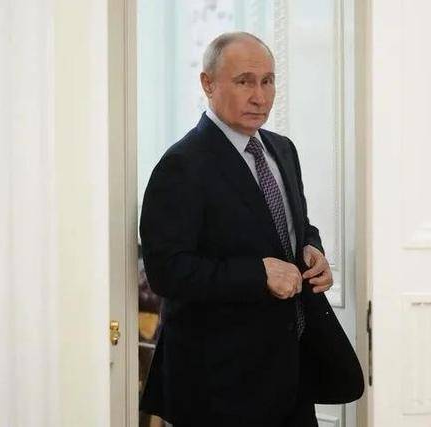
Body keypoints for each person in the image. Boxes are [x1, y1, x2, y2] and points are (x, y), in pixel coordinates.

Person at [139, 31, 363, 427]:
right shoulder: (181, 165)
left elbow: (296, 225)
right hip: (219, 383)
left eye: (268, 81)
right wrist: (259, 274)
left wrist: (312, 249)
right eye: (244, 81)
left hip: (292, 368)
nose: (260, 96)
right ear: (208, 84)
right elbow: (167, 271)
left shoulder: (282, 149)